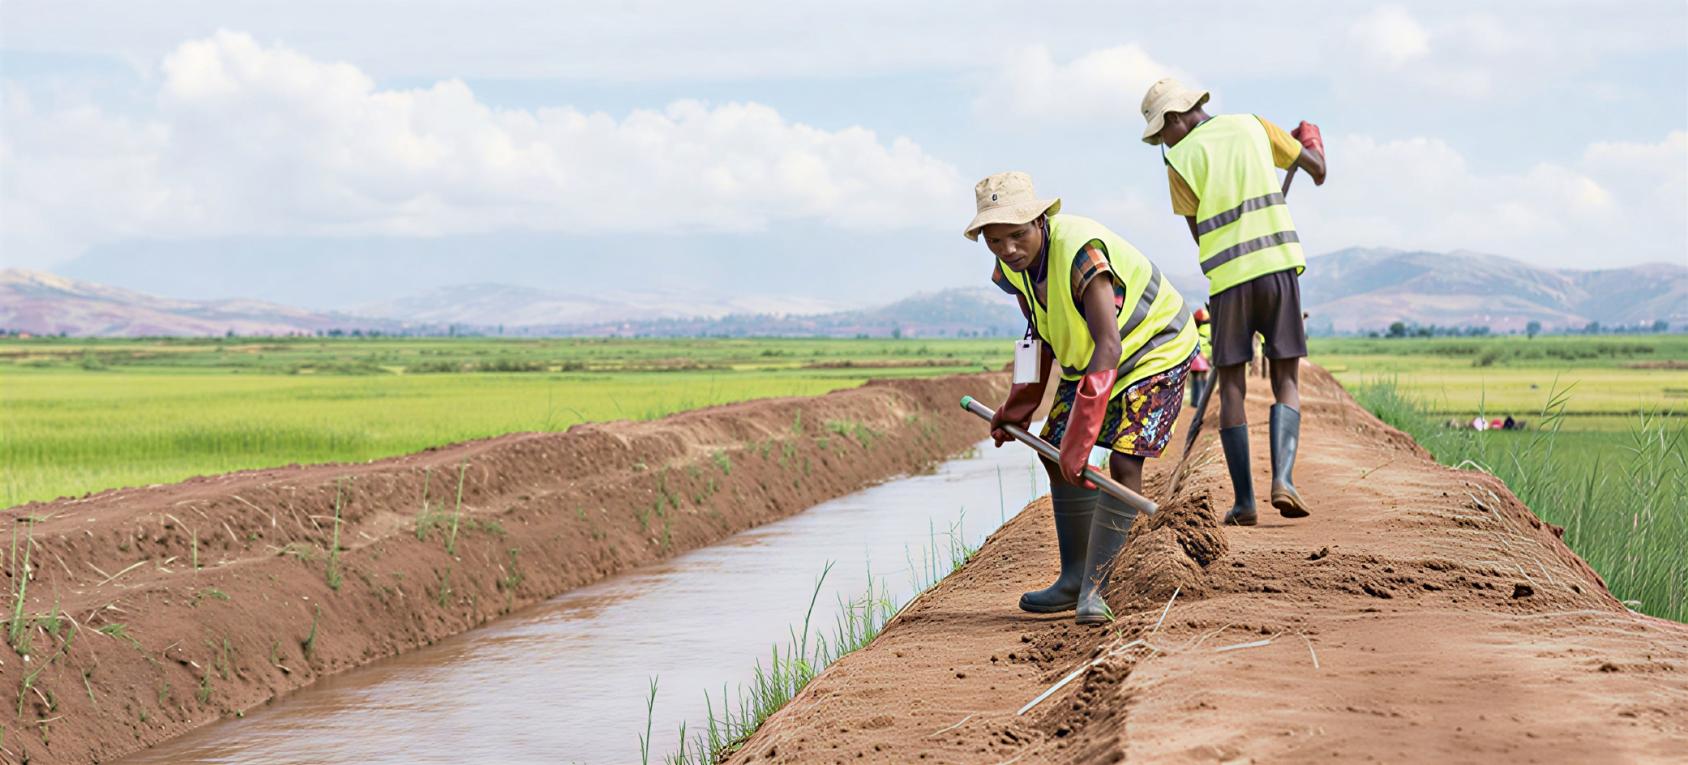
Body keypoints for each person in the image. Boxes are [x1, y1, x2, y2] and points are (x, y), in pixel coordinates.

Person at [969, 171, 1199, 625]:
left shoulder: (1081, 255)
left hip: (1152, 348)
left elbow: (1109, 343)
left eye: (1017, 235)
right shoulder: (1012, 272)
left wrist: (1082, 440)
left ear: (1040, 222)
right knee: (1054, 453)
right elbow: (1039, 337)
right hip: (1093, 360)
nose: (1009, 249)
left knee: (1125, 461)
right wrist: (1016, 409)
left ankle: (1099, 585)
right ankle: (1074, 578)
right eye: (996, 241)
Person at [1139, 77, 1326, 527]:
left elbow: (1199, 234)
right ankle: (1283, 479)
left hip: (1228, 281)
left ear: (1175, 119)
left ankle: (1245, 504)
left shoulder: (1179, 160)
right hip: (1278, 267)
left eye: (1160, 132)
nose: (1162, 142)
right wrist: (1311, 138)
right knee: (1285, 378)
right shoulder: (1254, 126)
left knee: (1234, 386)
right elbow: (1317, 168)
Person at [1189, 307, 1213, 405]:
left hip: (1198, 357)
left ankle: (1196, 401)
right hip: (1206, 356)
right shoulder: (1211, 329)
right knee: (1203, 379)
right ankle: (1203, 401)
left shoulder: (1197, 330)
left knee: (1196, 379)